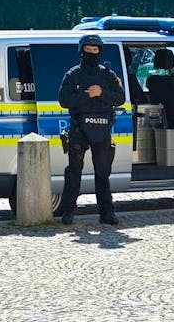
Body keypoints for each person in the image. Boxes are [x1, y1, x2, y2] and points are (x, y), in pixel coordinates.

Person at [58, 33, 126, 226]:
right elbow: (64, 100)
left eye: (95, 50)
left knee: (103, 172)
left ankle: (107, 213)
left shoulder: (108, 75)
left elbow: (120, 98)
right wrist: (87, 95)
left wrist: (102, 93)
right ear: (82, 52)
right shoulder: (73, 75)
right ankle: (68, 212)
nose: (91, 53)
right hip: (79, 127)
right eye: (88, 50)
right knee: (74, 171)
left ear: (100, 52)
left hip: (103, 127)